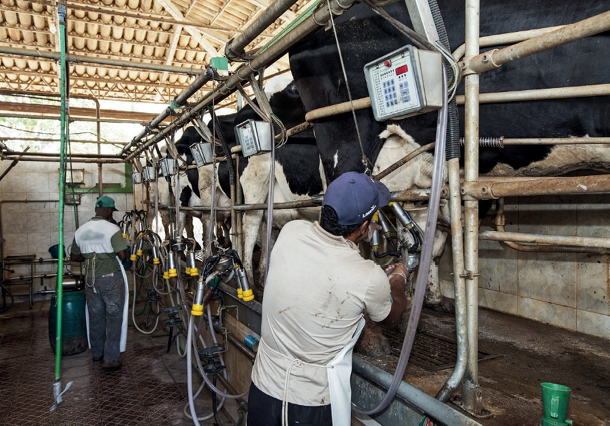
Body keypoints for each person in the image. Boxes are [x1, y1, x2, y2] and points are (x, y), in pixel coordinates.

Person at [248, 172, 409, 426]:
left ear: (324, 207)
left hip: (261, 390)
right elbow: (392, 316)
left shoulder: (290, 232)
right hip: (310, 405)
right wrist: (398, 278)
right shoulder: (367, 276)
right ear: (365, 228)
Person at [70, 195, 128, 370]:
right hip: (110, 278)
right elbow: (123, 256)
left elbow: (74, 257)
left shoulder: (81, 230)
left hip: (90, 279)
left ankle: (97, 353)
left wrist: (90, 255)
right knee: (113, 317)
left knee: (95, 317)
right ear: (109, 211)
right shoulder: (112, 229)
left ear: (96, 209)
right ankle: (110, 359)